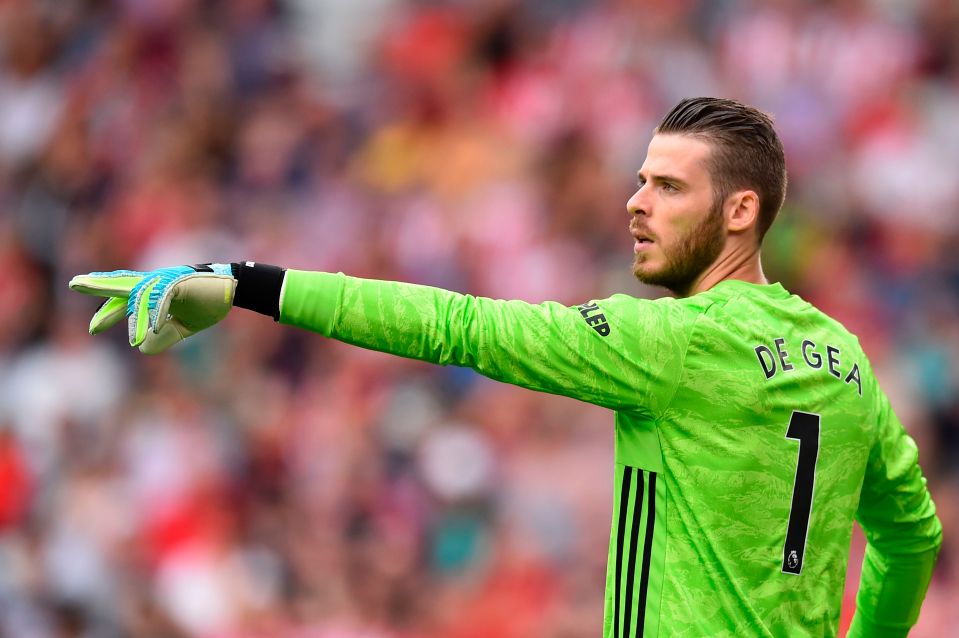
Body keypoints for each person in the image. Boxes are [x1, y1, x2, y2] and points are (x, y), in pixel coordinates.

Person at [70, 97, 941, 637]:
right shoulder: (845, 361)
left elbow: (456, 327)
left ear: (741, 211)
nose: (635, 203)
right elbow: (910, 537)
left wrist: (246, 281)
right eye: (641, 180)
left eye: (668, 187)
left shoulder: (671, 343)